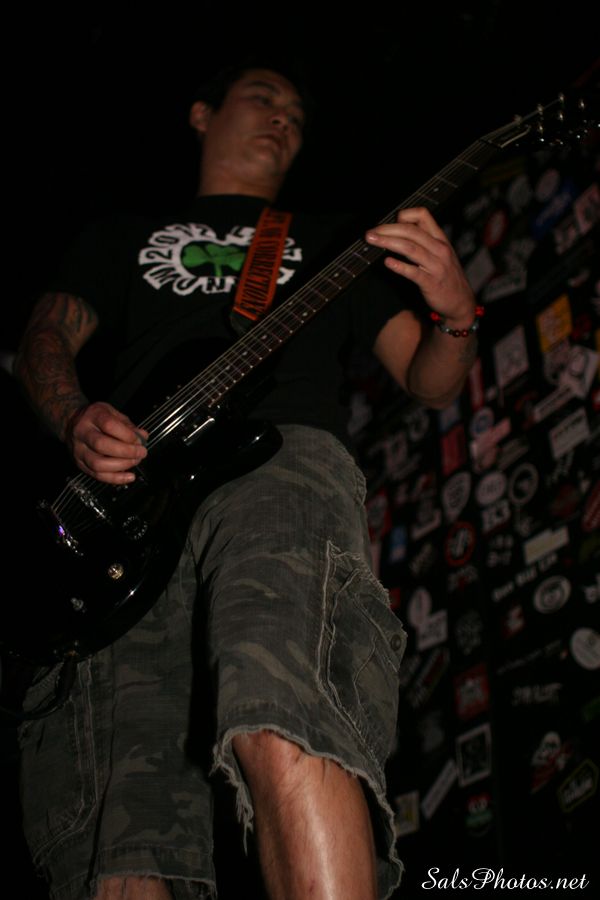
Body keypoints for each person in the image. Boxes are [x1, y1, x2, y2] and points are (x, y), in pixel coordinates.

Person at [14, 61, 479, 900]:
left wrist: (455, 313)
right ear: (202, 114)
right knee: (125, 818)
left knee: (282, 700)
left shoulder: (336, 240)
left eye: (297, 113)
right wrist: (75, 416)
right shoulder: (123, 234)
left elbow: (429, 378)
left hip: (278, 459)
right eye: (264, 98)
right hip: (127, 507)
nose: (283, 119)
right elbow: (46, 336)